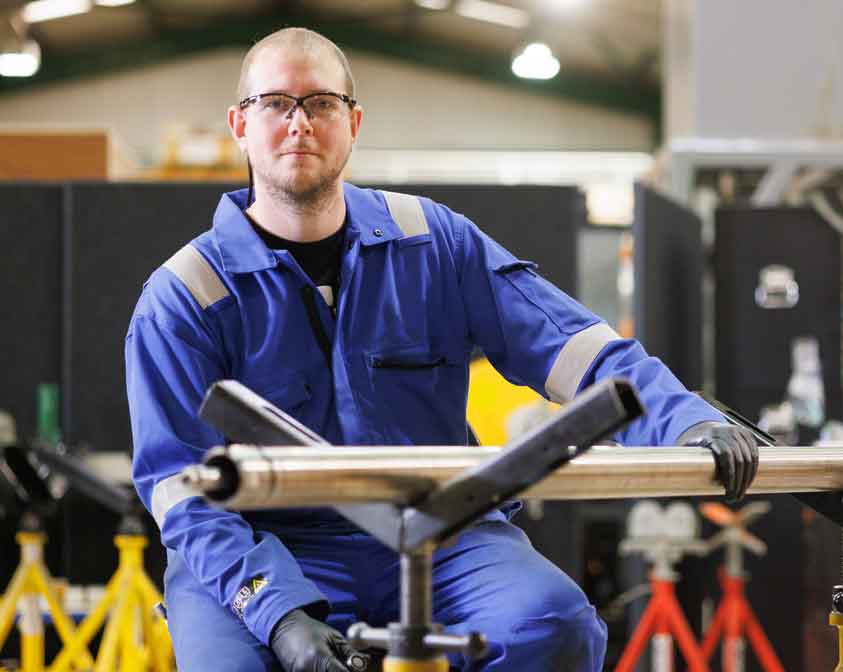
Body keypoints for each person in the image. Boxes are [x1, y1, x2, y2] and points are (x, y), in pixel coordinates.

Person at [125, 27, 760, 672]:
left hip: (437, 529)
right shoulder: (185, 297)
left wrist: (688, 419)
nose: (300, 123)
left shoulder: (434, 244)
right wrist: (280, 616)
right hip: (266, 544)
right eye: (276, 104)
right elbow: (180, 489)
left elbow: (576, 348)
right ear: (240, 123)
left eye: (321, 103)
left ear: (353, 121)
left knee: (555, 626)